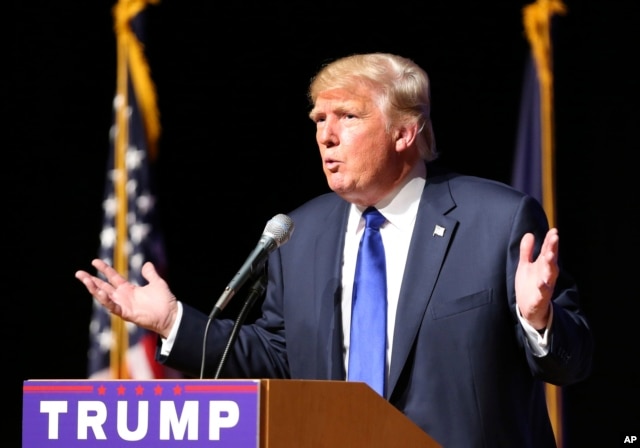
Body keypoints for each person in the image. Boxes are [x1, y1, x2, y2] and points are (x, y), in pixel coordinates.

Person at [76, 52, 593, 447]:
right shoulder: (298, 233)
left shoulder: (497, 219)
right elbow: (278, 360)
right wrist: (171, 322)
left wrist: (538, 319)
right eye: (318, 120)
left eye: (347, 117)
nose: (326, 136)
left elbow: (572, 364)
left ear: (404, 132)